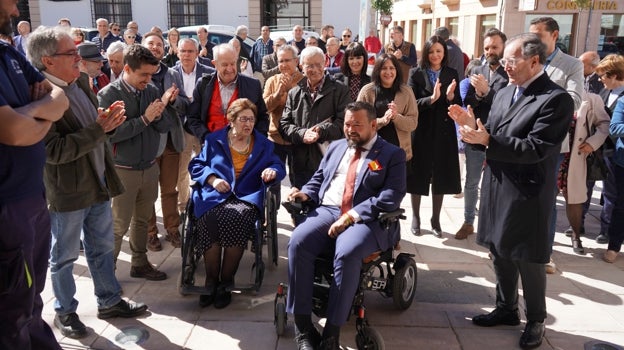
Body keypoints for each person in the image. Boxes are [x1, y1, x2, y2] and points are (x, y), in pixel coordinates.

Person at [448, 33, 574, 350]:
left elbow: (535, 148)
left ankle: (536, 319)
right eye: (504, 58)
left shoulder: (555, 99)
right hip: (498, 183)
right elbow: (494, 128)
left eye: (511, 59)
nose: (504, 65)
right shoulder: (505, 90)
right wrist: (472, 124)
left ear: (534, 61)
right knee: (499, 250)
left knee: (528, 259)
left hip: (527, 191)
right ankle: (506, 308)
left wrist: (488, 141)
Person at [28, 26, 147, 339]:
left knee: (101, 248)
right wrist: (98, 129)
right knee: (65, 256)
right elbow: (53, 151)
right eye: (71, 53)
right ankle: (65, 312)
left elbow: (91, 127)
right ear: (47, 60)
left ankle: (108, 300)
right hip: (67, 192)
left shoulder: (78, 82)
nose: (78, 59)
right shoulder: (38, 95)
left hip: (97, 182)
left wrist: (105, 122)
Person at [286, 101, 406, 350]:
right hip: (328, 210)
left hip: (366, 219)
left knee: (347, 252)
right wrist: (306, 193)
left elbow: (391, 196)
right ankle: (304, 329)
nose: (350, 129)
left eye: (357, 125)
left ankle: (331, 334)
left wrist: (351, 215)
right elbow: (319, 178)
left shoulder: (392, 154)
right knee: (298, 241)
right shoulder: (337, 147)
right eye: (347, 124)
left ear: (373, 125)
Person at [0, 1, 69, 348]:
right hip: (7, 208)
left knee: (32, 298)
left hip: (31, 198)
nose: (15, 9)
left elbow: (60, 99)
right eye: (9, 1)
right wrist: (42, 116)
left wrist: (29, 115)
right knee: (12, 307)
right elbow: (12, 131)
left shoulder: (9, 55)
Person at [189, 98, 285, 309]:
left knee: (236, 218)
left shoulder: (263, 144)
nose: (248, 124)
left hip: (246, 196)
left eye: (251, 119)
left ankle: (225, 281)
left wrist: (273, 171)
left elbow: (278, 165)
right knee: (208, 219)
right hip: (215, 195)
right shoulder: (215, 140)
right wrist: (213, 179)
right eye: (243, 119)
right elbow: (196, 165)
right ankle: (211, 281)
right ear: (231, 120)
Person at [97, 44, 177, 281]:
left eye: (152, 74)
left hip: (149, 167)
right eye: (144, 74)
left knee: (142, 220)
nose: (149, 79)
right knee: (118, 224)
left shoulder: (150, 90)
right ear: (128, 69)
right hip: (124, 171)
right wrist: (145, 119)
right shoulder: (109, 95)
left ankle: (139, 263)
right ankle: (106, 275)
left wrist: (163, 109)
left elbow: (164, 127)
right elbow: (112, 133)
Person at [529, 16, 584, 274]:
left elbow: (573, 101)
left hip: (551, 146)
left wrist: (537, 98)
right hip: (521, 140)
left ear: (554, 35)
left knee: (546, 200)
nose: (533, 41)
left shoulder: (571, 65)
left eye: (538, 35)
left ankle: (544, 254)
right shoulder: (526, 58)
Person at [455, 28, 509, 240]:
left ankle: (493, 229)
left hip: (500, 137)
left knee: (496, 186)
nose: (490, 51)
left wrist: (487, 92)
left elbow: (510, 103)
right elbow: (468, 100)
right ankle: (469, 222)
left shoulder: (511, 72)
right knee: (471, 182)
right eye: (487, 47)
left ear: (503, 47)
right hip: (476, 134)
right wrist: (478, 94)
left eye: (494, 47)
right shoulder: (478, 69)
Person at [407, 35, 461, 237]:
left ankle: (436, 219)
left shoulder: (451, 73)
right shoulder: (416, 73)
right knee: (418, 174)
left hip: (443, 132)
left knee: (440, 175)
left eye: (439, 51)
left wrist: (449, 98)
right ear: (426, 53)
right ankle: (416, 217)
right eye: (431, 51)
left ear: (444, 53)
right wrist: (431, 99)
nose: (435, 55)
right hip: (421, 131)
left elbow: (458, 103)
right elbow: (411, 104)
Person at [279, 46, 351, 196]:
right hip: (300, 163)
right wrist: (302, 133)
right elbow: (284, 125)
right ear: (301, 66)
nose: (315, 69)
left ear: (325, 63)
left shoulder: (339, 90)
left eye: (319, 64)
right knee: (300, 210)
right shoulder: (294, 93)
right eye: (309, 65)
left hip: (329, 161)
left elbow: (343, 123)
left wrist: (321, 131)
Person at [141, 32, 188, 251]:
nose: (155, 47)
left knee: (170, 190)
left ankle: (172, 229)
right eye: (151, 43)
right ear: (143, 46)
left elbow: (185, 103)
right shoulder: (137, 73)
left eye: (159, 44)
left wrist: (175, 100)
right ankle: (150, 233)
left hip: (171, 140)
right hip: (147, 142)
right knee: (148, 191)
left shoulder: (172, 73)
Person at [557, 92, 610, 254]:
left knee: (574, 198)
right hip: (550, 153)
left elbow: (604, 124)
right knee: (543, 199)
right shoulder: (552, 91)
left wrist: (593, 143)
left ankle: (576, 235)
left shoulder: (591, 98)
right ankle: (542, 239)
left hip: (574, 154)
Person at [185, 43, 269, 141]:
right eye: (224, 65)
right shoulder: (203, 84)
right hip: (212, 146)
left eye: (232, 64)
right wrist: (206, 137)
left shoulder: (252, 85)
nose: (229, 69)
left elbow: (263, 117)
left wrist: (254, 140)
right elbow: (193, 117)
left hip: (244, 147)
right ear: (214, 64)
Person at [172, 38, 215, 213]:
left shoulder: (209, 73)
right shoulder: (172, 73)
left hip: (203, 127)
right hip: (181, 128)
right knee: (182, 170)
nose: (187, 55)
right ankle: (183, 206)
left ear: (197, 53)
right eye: (183, 51)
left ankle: (205, 203)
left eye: (191, 51)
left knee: (207, 167)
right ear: (178, 53)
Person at [357, 53, 418, 164]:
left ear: (397, 70)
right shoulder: (367, 91)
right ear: (377, 71)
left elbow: (413, 124)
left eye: (391, 68)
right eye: (384, 68)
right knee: (374, 179)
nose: (388, 72)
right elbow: (359, 122)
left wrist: (396, 117)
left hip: (399, 155)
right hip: (373, 155)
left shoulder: (406, 91)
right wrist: (381, 121)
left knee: (396, 181)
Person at [263, 44, 303, 202]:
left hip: (297, 139)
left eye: (287, 60)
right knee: (273, 179)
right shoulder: (272, 80)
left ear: (297, 61)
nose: (284, 64)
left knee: (298, 179)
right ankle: (272, 211)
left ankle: (297, 212)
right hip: (275, 137)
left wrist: (291, 89)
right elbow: (264, 107)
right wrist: (279, 93)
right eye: (280, 61)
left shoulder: (305, 80)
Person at [594, 54, 624, 245]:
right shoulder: (604, 92)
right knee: (608, 193)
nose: (600, 79)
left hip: (617, 152)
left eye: (603, 75)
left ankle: (610, 231)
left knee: (614, 195)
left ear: (614, 75)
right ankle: (608, 228)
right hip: (604, 150)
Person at [604, 94, 624, 263]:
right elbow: (615, 128)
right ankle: (614, 246)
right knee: (621, 206)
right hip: (623, 162)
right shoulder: (623, 101)